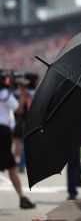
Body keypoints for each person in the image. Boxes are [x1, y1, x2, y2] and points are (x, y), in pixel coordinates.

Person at [0, 76, 35, 209]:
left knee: (11, 166)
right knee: (11, 166)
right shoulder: (4, 93)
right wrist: (23, 93)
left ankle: (22, 197)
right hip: (3, 133)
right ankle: (22, 197)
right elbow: (19, 109)